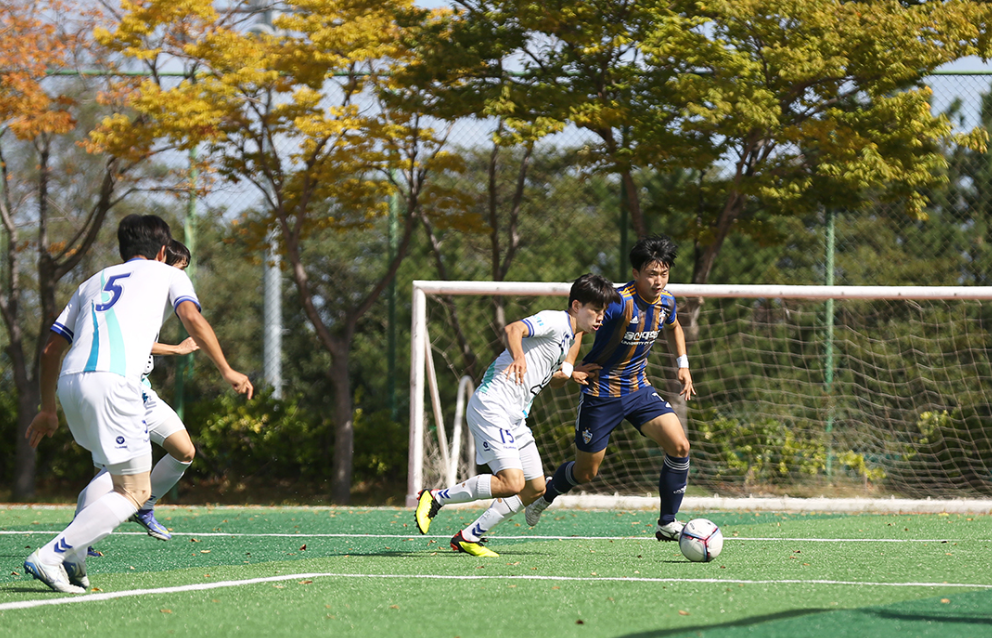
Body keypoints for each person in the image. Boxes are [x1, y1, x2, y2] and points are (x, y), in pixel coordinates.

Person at [23, 215, 253, 594]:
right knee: (135, 491)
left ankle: (75, 556)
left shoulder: (90, 282)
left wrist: (48, 409)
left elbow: (51, 348)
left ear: (123, 250)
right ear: (163, 251)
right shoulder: (168, 274)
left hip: (71, 385)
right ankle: (54, 554)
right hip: (115, 384)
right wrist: (226, 369)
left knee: (119, 476)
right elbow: (192, 317)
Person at [414, 274, 620, 557]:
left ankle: (468, 536)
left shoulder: (570, 336)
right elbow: (513, 329)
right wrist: (519, 356)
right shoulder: (555, 320)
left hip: (514, 417)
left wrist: (570, 374)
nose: (600, 317)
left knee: (535, 488)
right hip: (493, 406)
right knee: (512, 483)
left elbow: (555, 380)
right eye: (595, 311)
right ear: (575, 306)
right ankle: (435, 498)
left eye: (604, 312)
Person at [525, 234, 696, 542]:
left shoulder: (667, 302)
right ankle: (546, 494)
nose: (658, 281)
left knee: (680, 446)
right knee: (585, 472)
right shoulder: (618, 303)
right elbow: (579, 326)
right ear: (636, 274)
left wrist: (682, 363)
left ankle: (667, 522)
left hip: (638, 388)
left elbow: (674, 326)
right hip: (600, 393)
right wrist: (569, 367)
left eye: (664, 273)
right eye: (651, 274)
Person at [76, 239, 199, 548]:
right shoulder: (144, 293)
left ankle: (144, 505)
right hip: (119, 388)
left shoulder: (153, 295)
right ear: (163, 264)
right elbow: (130, 339)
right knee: (111, 470)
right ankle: (77, 537)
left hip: (141, 389)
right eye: (181, 269)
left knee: (184, 451)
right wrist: (177, 349)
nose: (183, 276)